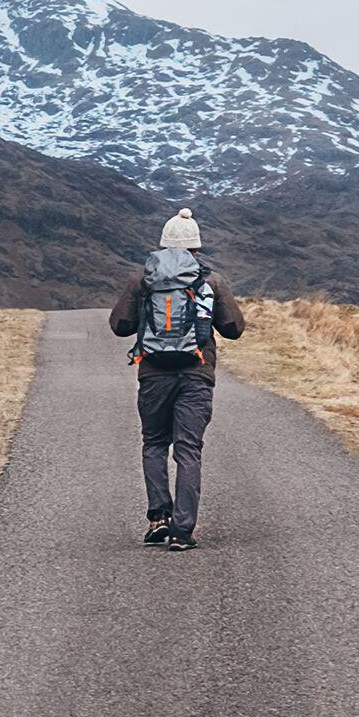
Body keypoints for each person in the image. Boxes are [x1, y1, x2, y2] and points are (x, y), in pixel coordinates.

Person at [107, 208, 246, 550]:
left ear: (163, 242)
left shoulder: (141, 279)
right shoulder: (210, 280)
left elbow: (119, 326)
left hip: (153, 374)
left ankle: (158, 517)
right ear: (196, 246)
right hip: (197, 374)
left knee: (154, 443)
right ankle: (182, 531)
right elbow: (234, 329)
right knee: (188, 449)